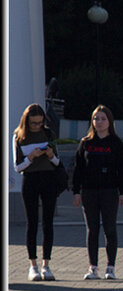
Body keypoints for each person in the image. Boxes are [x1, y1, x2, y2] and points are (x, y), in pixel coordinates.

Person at [71, 105, 123, 280]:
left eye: (103, 119)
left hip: (110, 191)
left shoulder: (116, 143)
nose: (100, 122)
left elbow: (122, 169)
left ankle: (110, 267)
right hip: (89, 192)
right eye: (96, 118)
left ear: (109, 121)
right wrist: (76, 191)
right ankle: (93, 267)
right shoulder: (86, 143)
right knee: (92, 229)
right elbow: (77, 169)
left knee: (110, 228)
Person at [13, 103, 64, 281]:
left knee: (47, 222)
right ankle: (32, 265)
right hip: (30, 179)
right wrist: (31, 157)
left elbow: (58, 162)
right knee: (32, 222)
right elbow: (17, 166)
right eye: (34, 123)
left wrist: (50, 155)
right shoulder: (19, 136)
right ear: (27, 122)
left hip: (48, 178)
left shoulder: (49, 133)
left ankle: (46, 265)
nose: (37, 126)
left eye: (40, 123)